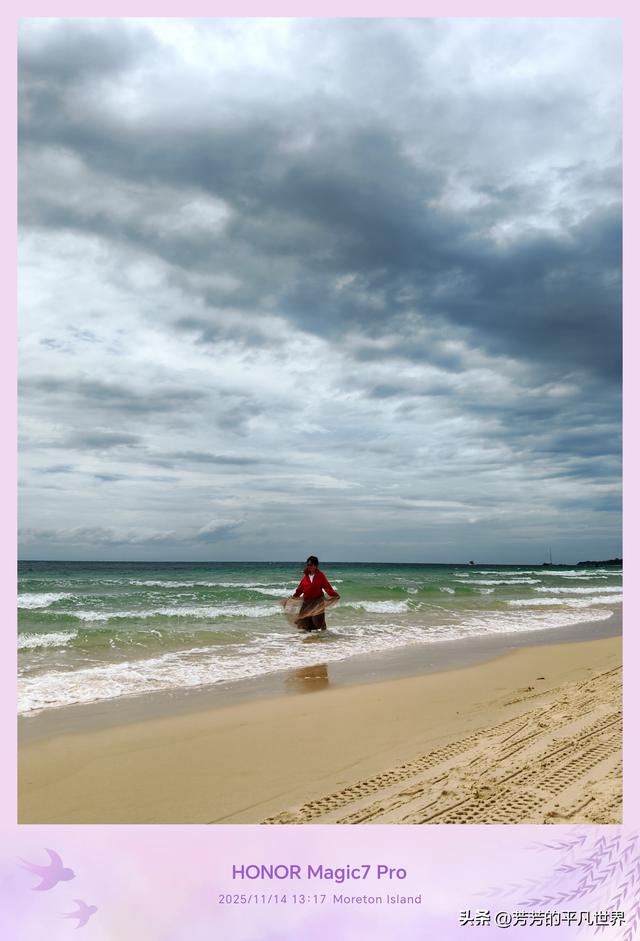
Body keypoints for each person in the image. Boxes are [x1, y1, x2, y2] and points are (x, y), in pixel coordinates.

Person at [286, 556, 340, 632]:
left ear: (315, 565)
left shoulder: (320, 576)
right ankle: (308, 638)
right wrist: (294, 597)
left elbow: (327, 587)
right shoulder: (305, 577)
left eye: (310, 565)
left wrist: (334, 595)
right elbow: (300, 590)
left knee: (318, 621)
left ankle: (324, 636)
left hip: (317, 601)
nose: (309, 566)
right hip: (306, 602)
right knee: (305, 622)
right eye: (308, 565)